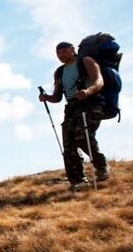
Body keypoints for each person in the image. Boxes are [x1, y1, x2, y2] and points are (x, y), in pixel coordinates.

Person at [39, 41, 110, 191]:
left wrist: (88, 91)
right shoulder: (59, 72)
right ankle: (77, 180)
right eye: (58, 53)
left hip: (91, 103)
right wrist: (47, 98)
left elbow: (99, 81)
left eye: (64, 51)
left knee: (82, 136)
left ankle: (101, 166)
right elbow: (58, 97)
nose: (61, 55)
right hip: (71, 107)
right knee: (69, 144)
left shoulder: (85, 61)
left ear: (72, 50)